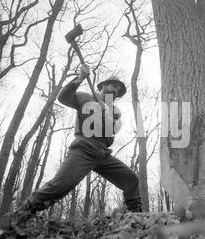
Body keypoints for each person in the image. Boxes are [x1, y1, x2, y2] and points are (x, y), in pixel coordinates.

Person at [18, 65, 143, 220]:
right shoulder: (86, 98)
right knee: (59, 187)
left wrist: (106, 114)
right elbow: (63, 97)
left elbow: (111, 132)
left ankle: (136, 216)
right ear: (102, 85)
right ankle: (22, 212)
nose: (116, 90)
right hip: (84, 149)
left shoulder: (114, 111)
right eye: (113, 85)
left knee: (131, 179)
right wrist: (80, 78)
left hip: (103, 154)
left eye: (118, 89)